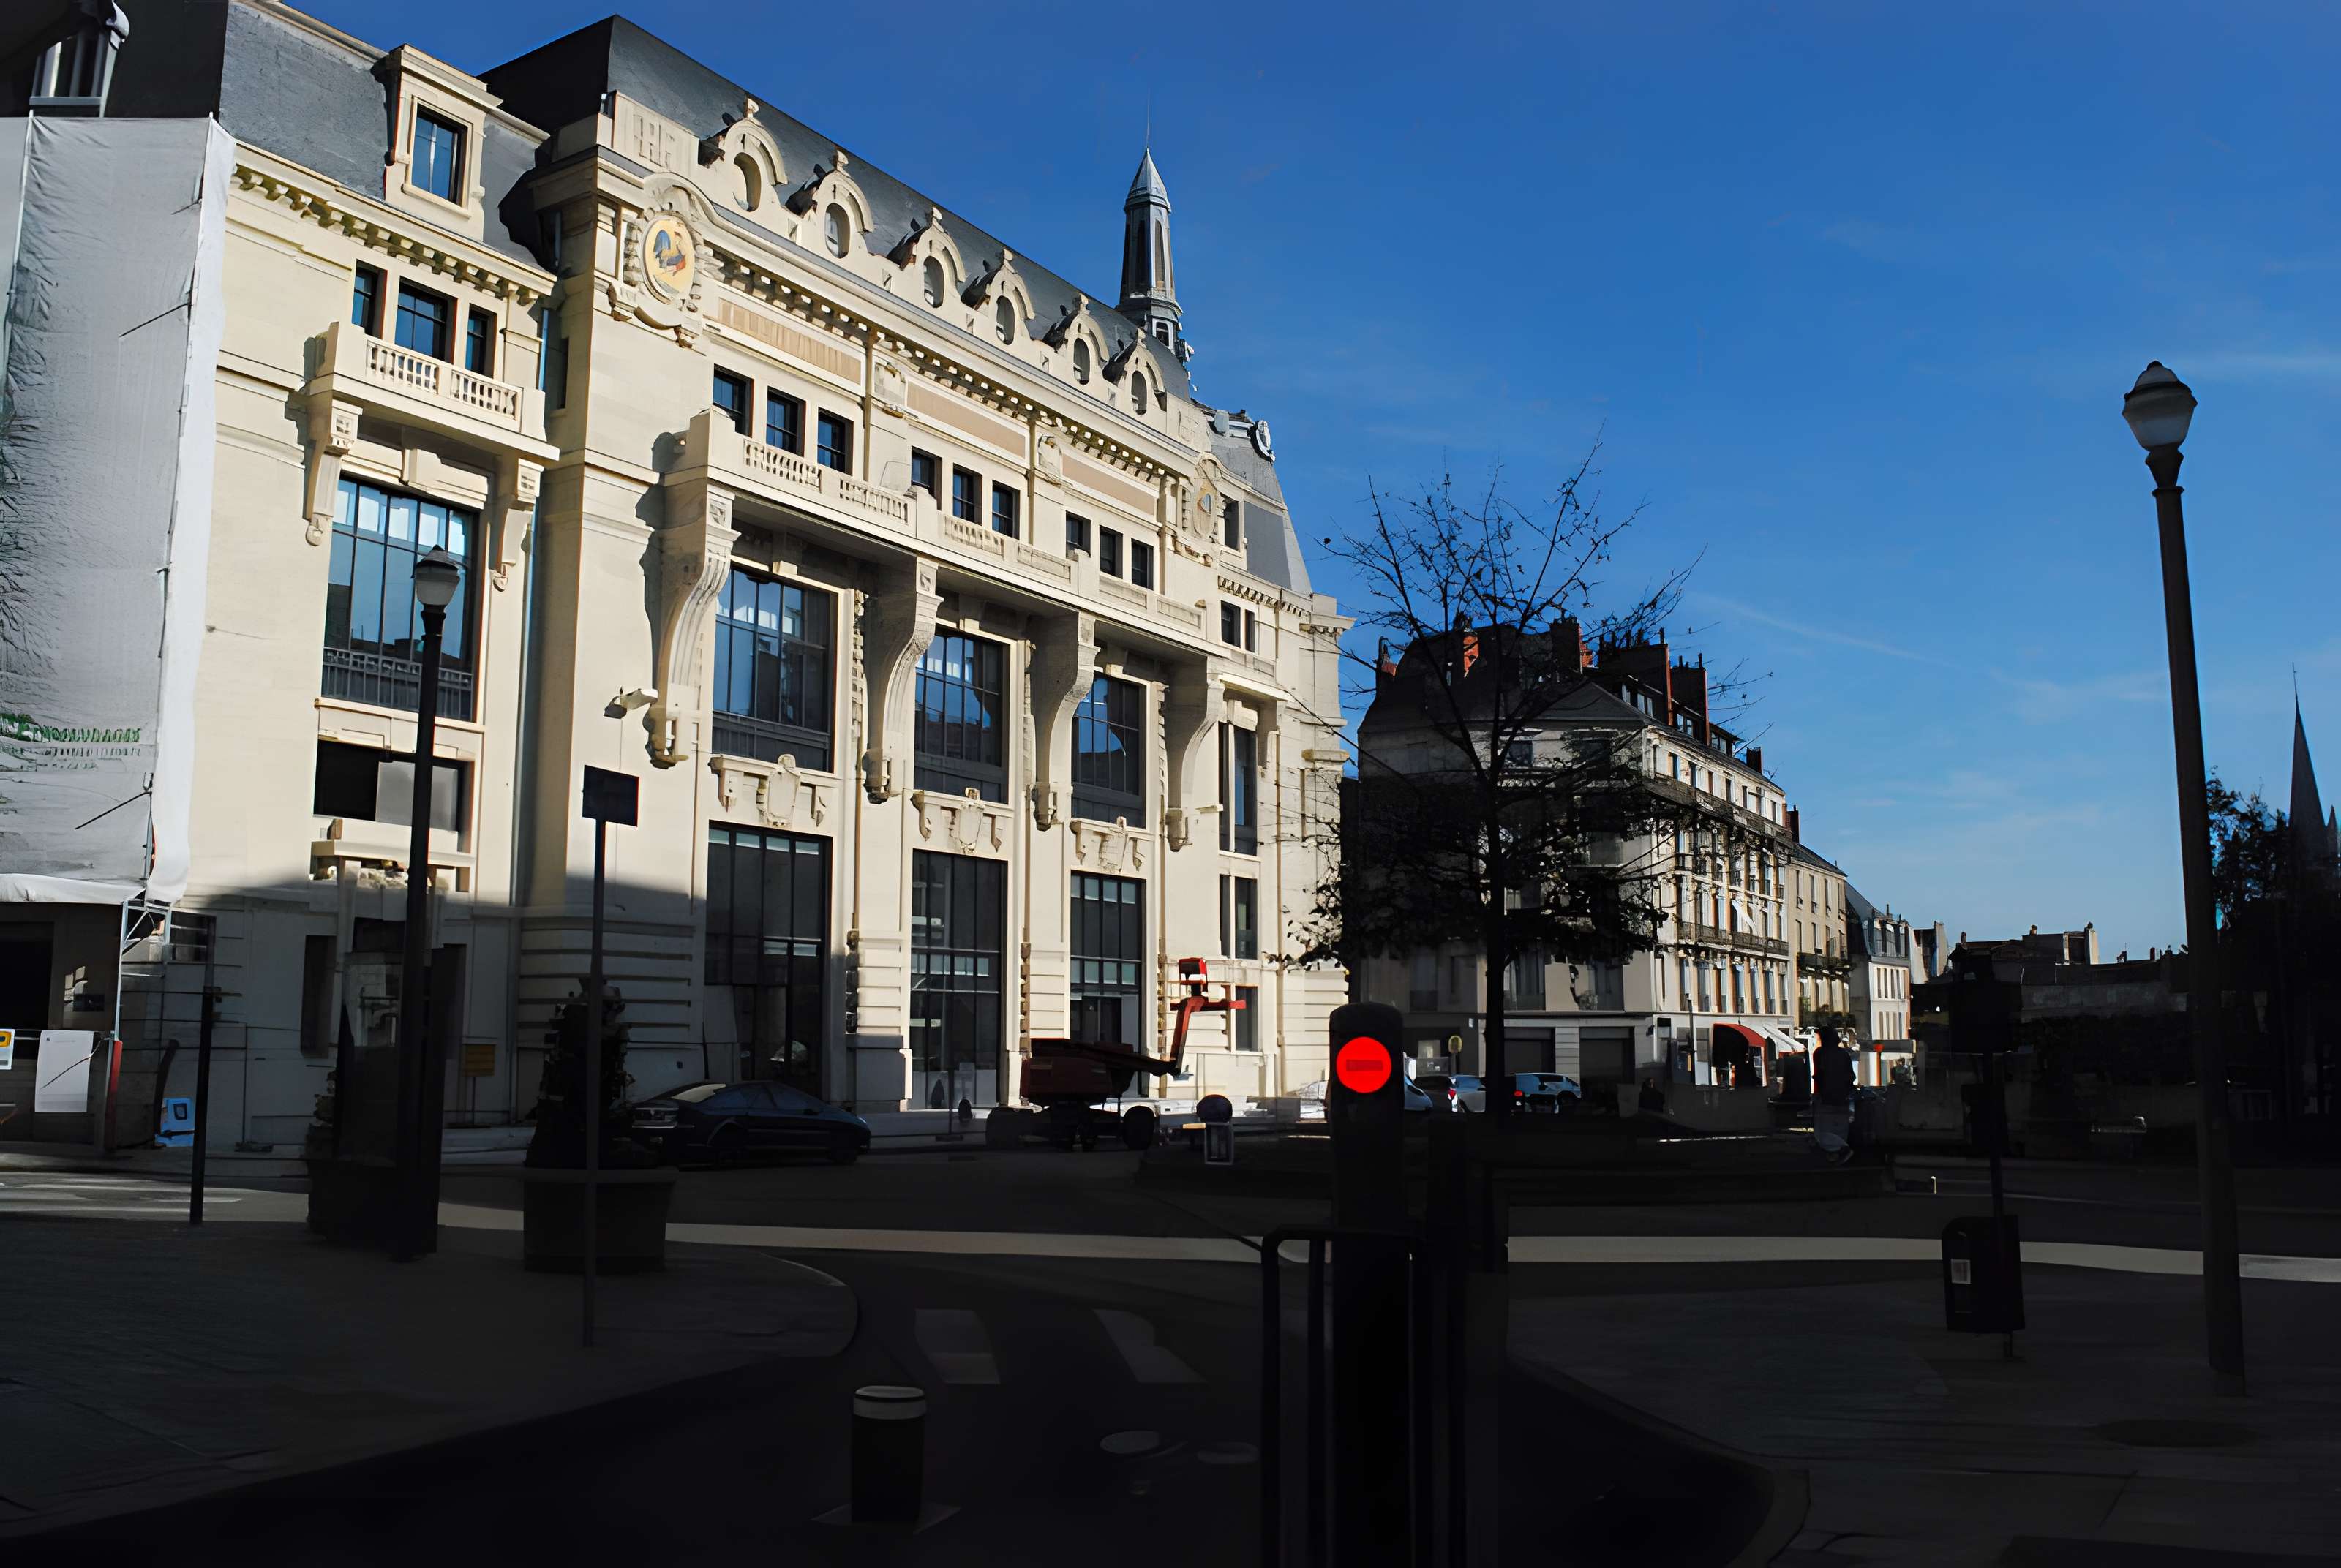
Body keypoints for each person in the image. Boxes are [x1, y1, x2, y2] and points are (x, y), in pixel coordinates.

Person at [1812, 1026, 1857, 1164]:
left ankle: (1842, 1150)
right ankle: (1836, 1152)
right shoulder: (1844, 1054)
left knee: (1822, 1131)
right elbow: (1851, 1076)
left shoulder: (1820, 1054)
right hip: (1841, 1098)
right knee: (1838, 1129)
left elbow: (1820, 1075)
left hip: (1826, 1098)